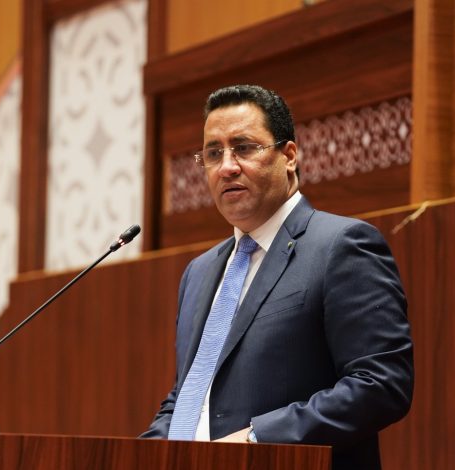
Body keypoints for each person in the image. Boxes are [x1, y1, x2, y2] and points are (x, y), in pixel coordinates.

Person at [141, 84, 413, 469]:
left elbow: (381, 384)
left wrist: (258, 440)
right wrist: (145, 454)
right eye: (214, 153)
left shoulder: (342, 245)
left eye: (244, 148)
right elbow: (191, 395)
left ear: (289, 156)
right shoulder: (198, 273)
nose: (227, 166)